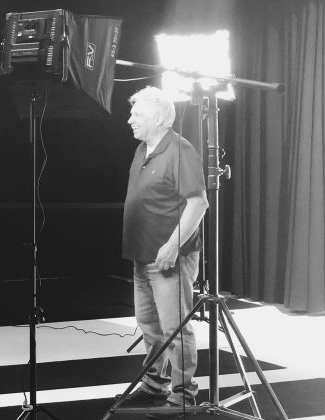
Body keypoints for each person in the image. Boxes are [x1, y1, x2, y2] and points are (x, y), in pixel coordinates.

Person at [118, 86, 209, 416]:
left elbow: (199, 203)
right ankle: (156, 383)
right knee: (148, 323)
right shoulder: (143, 149)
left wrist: (173, 246)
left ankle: (184, 396)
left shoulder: (180, 150)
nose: (130, 120)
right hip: (143, 255)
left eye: (136, 114)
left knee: (175, 327)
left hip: (169, 256)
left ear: (158, 117)